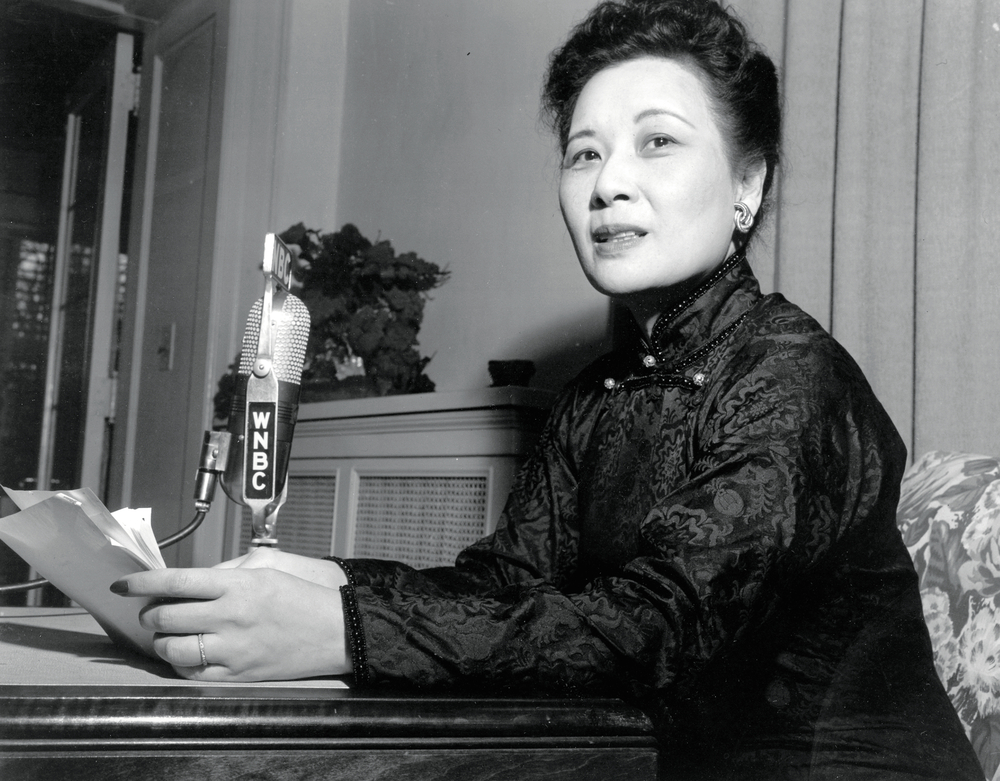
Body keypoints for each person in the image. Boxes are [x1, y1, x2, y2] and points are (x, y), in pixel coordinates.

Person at [111, 1, 982, 778]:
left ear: (747, 183)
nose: (608, 184)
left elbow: (658, 627)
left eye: (658, 142)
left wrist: (341, 627)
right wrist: (320, 578)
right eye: (583, 153)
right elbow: (503, 583)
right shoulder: (600, 391)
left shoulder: (790, 376)